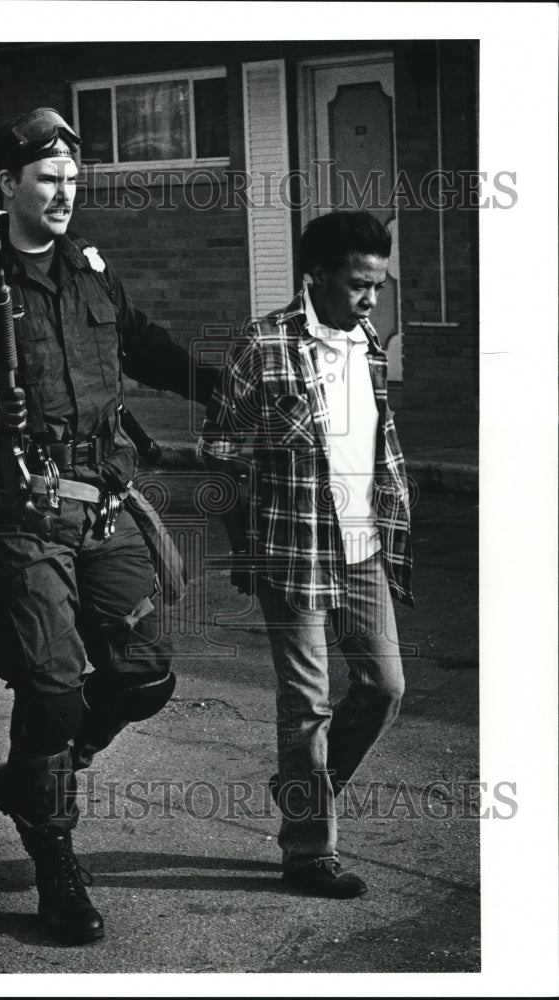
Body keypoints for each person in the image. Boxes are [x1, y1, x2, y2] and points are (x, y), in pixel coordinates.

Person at [0, 107, 218, 944]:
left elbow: (139, 344)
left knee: (145, 676)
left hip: (99, 504)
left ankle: (41, 774)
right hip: (14, 514)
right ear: (5, 187)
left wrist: (216, 383)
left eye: (73, 178)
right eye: (47, 178)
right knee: (53, 681)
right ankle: (55, 863)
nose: (65, 193)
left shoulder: (89, 271)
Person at [199, 210, 413, 899]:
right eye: (357, 284)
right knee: (305, 707)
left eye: (376, 286)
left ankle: (301, 789)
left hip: (362, 549)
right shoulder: (261, 344)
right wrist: (242, 551)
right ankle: (307, 852)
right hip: (290, 550)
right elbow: (223, 456)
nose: (368, 299)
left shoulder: (369, 342)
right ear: (315, 275)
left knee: (383, 688)